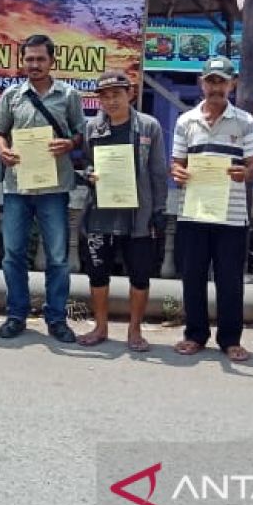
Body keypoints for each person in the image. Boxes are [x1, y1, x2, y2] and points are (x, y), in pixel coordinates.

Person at [0, 34, 85, 343]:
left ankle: (57, 317)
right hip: (17, 186)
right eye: (29, 59)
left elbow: (81, 135)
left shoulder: (69, 95)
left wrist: (69, 143)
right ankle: (16, 314)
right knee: (12, 254)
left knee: (58, 256)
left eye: (40, 59)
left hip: (54, 187)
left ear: (52, 61)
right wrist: (3, 150)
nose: (34, 64)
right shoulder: (12, 95)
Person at [169, 55, 253, 363]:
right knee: (192, 276)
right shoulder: (186, 121)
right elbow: (176, 163)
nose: (216, 87)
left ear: (232, 84)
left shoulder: (245, 121)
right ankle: (194, 334)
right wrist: (178, 173)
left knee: (230, 279)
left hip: (231, 214)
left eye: (222, 81)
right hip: (193, 210)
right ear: (202, 83)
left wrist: (244, 174)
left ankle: (230, 339)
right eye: (211, 81)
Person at [77, 70, 167, 352]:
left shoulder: (148, 127)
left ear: (130, 94)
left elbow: (158, 173)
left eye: (116, 94)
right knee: (98, 273)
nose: (111, 101)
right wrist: (88, 175)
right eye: (105, 96)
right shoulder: (92, 128)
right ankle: (100, 326)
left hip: (138, 216)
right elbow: (86, 163)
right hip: (101, 212)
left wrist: (159, 210)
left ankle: (135, 330)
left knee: (140, 275)